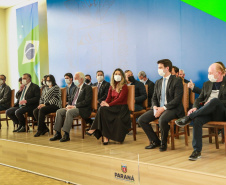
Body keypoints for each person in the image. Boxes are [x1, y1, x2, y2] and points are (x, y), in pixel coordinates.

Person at [175, 63, 226, 161]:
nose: (209, 74)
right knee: (197, 120)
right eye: (208, 72)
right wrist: (195, 107)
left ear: (219, 73)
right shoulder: (207, 84)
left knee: (214, 100)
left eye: (211, 72)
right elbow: (200, 99)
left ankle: (189, 118)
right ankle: (197, 151)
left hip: (221, 113)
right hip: (207, 112)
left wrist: (212, 102)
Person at [138, 59, 184, 152]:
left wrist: (163, 108)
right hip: (159, 108)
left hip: (173, 108)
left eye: (160, 67)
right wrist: (154, 107)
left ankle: (163, 143)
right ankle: (155, 141)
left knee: (162, 119)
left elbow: (177, 100)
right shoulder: (158, 82)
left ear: (167, 68)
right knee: (141, 120)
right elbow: (154, 98)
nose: (158, 69)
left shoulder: (177, 80)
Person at [87, 68, 130, 144]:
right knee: (102, 108)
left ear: (122, 76)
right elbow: (108, 98)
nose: (117, 75)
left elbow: (120, 99)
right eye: (116, 74)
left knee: (102, 110)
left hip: (121, 108)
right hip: (114, 107)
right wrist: (104, 102)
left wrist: (109, 104)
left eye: (119, 74)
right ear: (113, 76)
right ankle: (105, 136)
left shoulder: (124, 86)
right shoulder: (111, 86)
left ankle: (95, 129)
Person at [49, 72, 92, 142]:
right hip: (72, 107)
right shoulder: (75, 88)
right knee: (59, 111)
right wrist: (68, 105)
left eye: (76, 78)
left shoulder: (87, 88)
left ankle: (66, 134)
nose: (74, 80)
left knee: (69, 112)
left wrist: (74, 106)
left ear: (81, 79)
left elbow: (87, 101)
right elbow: (70, 99)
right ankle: (57, 133)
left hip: (82, 108)